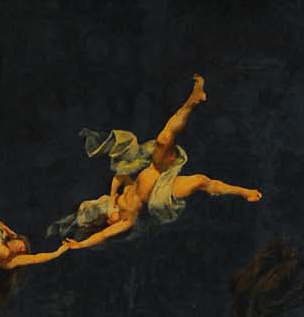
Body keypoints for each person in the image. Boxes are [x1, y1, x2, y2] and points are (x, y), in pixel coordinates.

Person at [56, 77, 262, 256]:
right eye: (106, 217)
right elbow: (101, 236)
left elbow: (119, 177)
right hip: (160, 192)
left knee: (163, 139)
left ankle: (193, 99)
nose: (108, 214)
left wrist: (111, 198)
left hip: (157, 169)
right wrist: (80, 244)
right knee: (200, 181)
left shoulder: (118, 196)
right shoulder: (126, 220)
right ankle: (244, 191)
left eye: (104, 211)